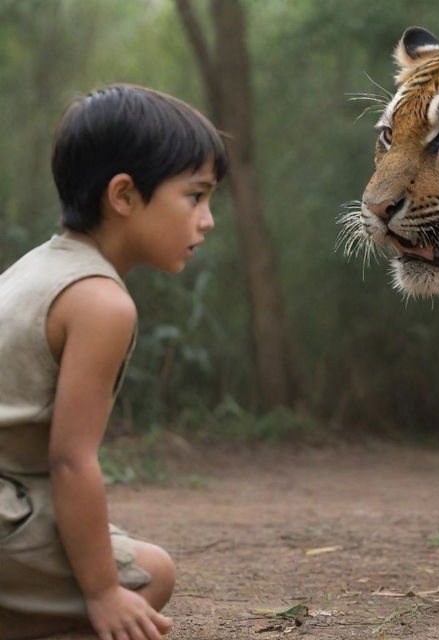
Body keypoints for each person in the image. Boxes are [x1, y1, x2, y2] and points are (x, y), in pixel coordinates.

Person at [0, 84, 228, 640]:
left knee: (110, 547)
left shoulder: (33, 267)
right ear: (124, 196)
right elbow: (71, 462)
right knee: (149, 576)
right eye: (195, 196)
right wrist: (102, 592)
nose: (208, 219)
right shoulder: (101, 302)